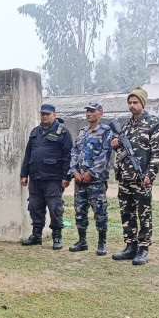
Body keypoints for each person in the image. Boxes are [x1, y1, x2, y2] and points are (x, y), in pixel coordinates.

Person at [110, 87, 159, 265]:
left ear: (143, 103)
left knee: (144, 213)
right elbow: (119, 148)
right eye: (130, 102)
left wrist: (150, 174)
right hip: (124, 176)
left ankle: (143, 248)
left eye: (135, 102)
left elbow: (157, 153)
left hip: (142, 178)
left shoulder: (153, 123)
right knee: (126, 212)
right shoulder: (125, 125)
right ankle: (130, 246)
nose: (132, 105)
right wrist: (115, 143)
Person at [20, 103, 73, 249]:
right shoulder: (35, 132)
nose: (44, 116)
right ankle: (36, 235)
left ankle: (57, 236)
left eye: (47, 114)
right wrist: (24, 174)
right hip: (35, 177)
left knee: (55, 208)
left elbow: (68, 155)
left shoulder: (63, 132)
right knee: (35, 207)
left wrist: (66, 177)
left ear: (54, 115)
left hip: (53, 178)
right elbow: (28, 154)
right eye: (42, 114)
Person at [68, 102, 112, 255]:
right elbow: (74, 152)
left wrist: (91, 173)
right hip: (80, 180)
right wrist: (74, 171)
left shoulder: (106, 131)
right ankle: (82, 241)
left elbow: (105, 154)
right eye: (87, 111)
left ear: (100, 113)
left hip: (96, 181)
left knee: (100, 212)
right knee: (79, 210)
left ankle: (102, 243)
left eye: (92, 111)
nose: (88, 114)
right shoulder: (82, 132)